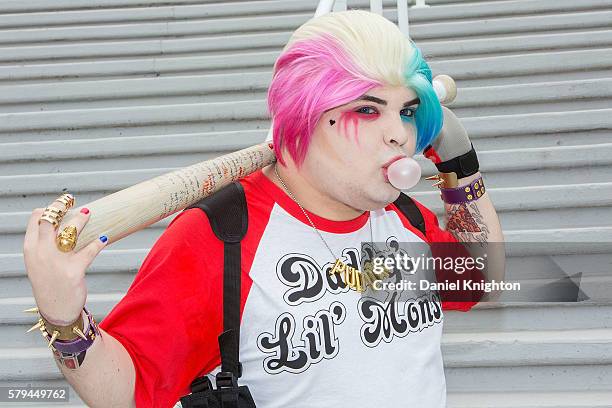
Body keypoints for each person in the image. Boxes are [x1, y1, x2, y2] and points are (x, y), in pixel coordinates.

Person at [23, 10, 504, 408]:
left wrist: (462, 170)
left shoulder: (402, 216)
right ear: (305, 113)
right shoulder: (220, 235)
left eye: (406, 110)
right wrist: (64, 319)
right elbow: (123, 392)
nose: (399, 133)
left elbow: (481, 280)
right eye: (367, 109)